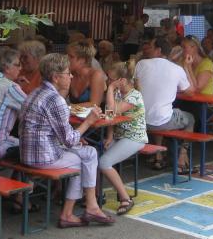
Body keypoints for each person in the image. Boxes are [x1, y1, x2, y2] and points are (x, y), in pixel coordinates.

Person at [20, 53, 115, 228]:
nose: (71, 76)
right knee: (84, 158)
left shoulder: (35, 92)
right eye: (67, 73)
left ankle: (90, 206)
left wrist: (76, 137)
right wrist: (88, 122)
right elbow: (69, 140)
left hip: (27, 153)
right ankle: (73, 212)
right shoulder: (56, 100)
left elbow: (54, 132)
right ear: (56, 77)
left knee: (87, 153)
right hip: (42, 157)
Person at [134, 37, 194, 171]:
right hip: (162, 121)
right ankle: (182, 158)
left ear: (158, 50)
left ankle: (158, 156)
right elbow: (191, 92)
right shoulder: (177, 69)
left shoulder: (141, 64)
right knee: (190, 118)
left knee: (160, 112)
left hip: (140, 120)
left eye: (151, 47)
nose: (148, 50)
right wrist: (187, 66)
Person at [100, 61, 147, 215]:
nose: (108, 81)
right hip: (120, 136)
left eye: (111, 79)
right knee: (94, 156)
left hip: (135, 138)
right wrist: (109, 136)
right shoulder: (117, 93)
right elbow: (110, 118)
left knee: (104, 162)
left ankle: (125, 198)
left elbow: (112, 111)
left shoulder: (134, 96)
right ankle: (96, 195)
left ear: (123, 81)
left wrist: (110, 89)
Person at [67, 41, 106, 106]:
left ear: (83, 60)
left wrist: (67, 107)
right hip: (71, 112)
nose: (67, 59)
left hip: (92, 113)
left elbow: (95, 104)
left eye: (71, 57)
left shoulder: (96, 75)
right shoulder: (69, 74)